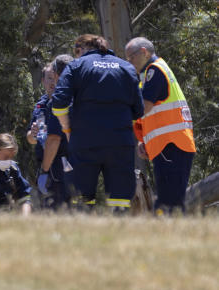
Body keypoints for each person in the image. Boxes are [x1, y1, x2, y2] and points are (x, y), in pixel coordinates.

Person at [50, 34, 143, 212]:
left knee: (82, 199)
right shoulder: (127, 68)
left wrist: (67, 129)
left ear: (80, 50)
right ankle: (119, 235)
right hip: (120, 142)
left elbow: (59, 102)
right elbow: (138, 110)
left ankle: (84, 236)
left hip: (84, 141)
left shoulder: (76, 66)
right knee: (120, 200)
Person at [125, 37, 195, 214]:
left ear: (144, 52)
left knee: (168, 202)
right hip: (169, 146)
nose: (129, 62)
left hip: (171, 145)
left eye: (131, 57)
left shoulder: (154, 71)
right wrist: (145, 142)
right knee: (169, 201)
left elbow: (144, 107)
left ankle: (174, 238)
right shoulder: (153, 72)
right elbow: (153, 115)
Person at [27, 54, 74, 210]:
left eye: (55, 77)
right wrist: (32, 135)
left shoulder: (64, 101)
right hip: (45, 162)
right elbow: (32, 139)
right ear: (42, 81)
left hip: (63, 163)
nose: (52, 82)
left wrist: (46, 171)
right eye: (49, 78)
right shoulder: (40, 105)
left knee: (61, 208)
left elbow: (55, 139)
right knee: (48, 207)